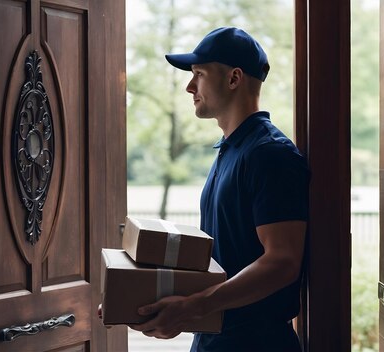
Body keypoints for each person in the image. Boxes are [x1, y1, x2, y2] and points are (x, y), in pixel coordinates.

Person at [129, 27, 310, 352]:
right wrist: (139, 300)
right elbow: (229, 258)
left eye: (198, 73)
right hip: (213, 340)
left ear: (233, 78)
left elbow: (282, 261)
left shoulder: (270, 154)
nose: (189, 86)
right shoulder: (231, 150)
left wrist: (195, 306)